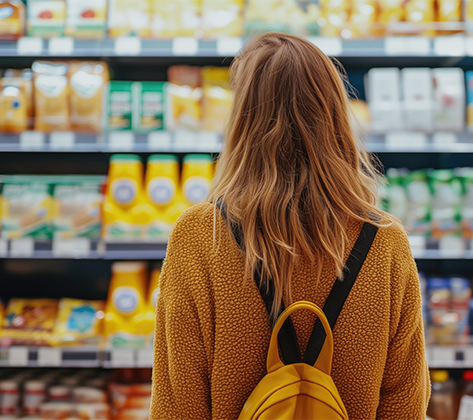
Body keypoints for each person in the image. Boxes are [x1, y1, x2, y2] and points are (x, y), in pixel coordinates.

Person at [150, 32, 429, 419]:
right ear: (335, 114)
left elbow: (178, 406)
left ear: (241, 120)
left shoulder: (199, 235)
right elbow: (405, 404)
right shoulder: (385, 241)